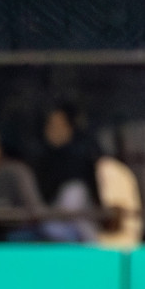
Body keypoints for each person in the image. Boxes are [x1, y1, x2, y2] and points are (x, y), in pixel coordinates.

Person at [32, 103, 103, 243]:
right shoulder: (39, 158)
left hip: (79, 224)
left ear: (70, 128)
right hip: (47, 224)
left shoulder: (83, 157)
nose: (52, 130)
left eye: (59, 125)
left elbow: (86, 201)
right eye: (50, 125)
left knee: (74, 190)